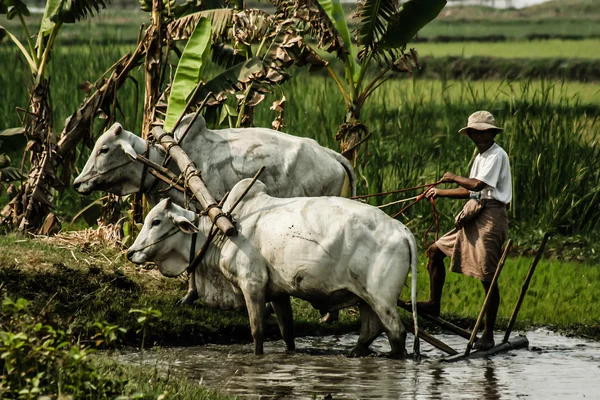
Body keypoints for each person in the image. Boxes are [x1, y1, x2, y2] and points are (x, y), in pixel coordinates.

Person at [418, 110, 512, 351]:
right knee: (434, 251)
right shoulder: (481, 157)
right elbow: (471, 191)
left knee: (486, 276)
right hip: (477, 211)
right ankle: (433, 303)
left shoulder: (496, 155)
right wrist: (439, 192)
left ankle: (488, 334)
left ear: (492, 133)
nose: (480, 136)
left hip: (491, 216)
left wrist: (452, 177)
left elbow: (478, 185)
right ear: (469, 134)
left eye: (484, 132)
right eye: (475, 132)